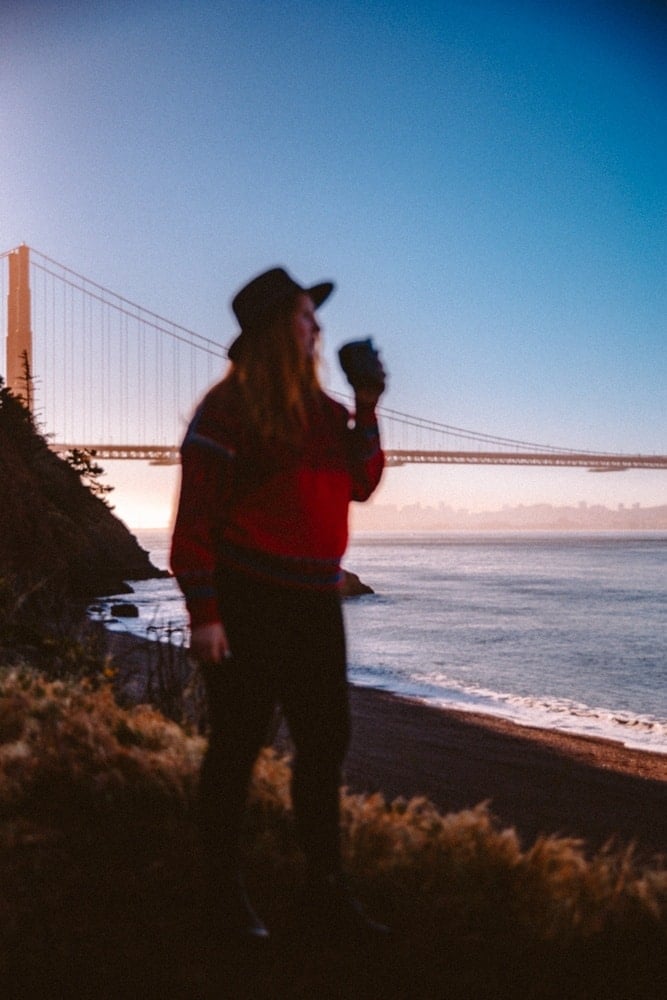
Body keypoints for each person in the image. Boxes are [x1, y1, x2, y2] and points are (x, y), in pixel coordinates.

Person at [170, 266, 387, 943]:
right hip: (246, 598)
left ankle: (325, 893)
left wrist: (368, 403)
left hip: (315, 600)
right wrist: (205, 614)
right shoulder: (227, 407)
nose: (318, 327)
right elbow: (195, 521)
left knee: (325, 744)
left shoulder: (325, 412)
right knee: (237, 745)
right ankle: (219, 895)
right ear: (272, 329)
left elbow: (360, 484)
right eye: (304, 314)